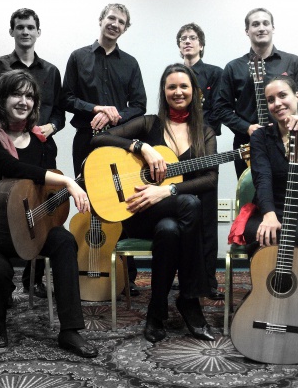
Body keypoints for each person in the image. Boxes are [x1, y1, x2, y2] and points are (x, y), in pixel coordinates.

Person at [0, 70, 97, 358]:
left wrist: (60, 195)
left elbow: (42, 188)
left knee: (64, 242)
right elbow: (12, 168)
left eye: (29, 95)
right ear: (1, 98)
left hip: (29, 221)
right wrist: (66, 181)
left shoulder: (41, 141)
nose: (24, 101)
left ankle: (70, 330)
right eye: (17, 94)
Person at [91, 64, 216, 343]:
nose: (178, 92)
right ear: (164, 92)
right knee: (191, 206)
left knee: (171, 229)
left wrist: (166, 190)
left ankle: (156, 310)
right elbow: (97, 139)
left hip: (171, 216)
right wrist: (140, 147)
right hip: (138, 212)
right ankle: (190, 301)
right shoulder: (149, 124)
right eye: (171, 87)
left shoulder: (204, 132)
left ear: (194, 92)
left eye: (184, 86)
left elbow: (210, 180)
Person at [0, 8, 65, 299]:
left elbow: (59, 116)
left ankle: (33, 279)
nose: (25, 31)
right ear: (12, 31)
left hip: (40, 148)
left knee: (41, 209)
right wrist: (13, 135)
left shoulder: (51, 71)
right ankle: (5, 282)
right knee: (12, 209)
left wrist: (46, 129)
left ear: (38, 32)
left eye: (30, 27)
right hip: (7, 146)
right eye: (20, 27)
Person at [62, 3, 147, 295]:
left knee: (124, 203)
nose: (115, 24)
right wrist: (96, 108)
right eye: (111, 18)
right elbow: (67, 99)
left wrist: (114, 115)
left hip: (120, 143)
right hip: (85, 139)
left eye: (121, 21)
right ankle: (86, 270)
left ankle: (128, 276)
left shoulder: (131, 63)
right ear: (101, 20)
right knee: (88, 202)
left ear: (125, 28)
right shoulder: (78, 57)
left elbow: (139, 105)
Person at [233, 75, 298, 268]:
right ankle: (262, 290)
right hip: (266, 210)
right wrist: (269, 215)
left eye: (282, 95)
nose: (277, 103)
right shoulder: (261, 136)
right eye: (270, 100)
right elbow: (262, 177)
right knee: (261, 233)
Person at [215, 7, 298, 179]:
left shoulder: (293, 62)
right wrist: (247, 128)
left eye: (265, 23)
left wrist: (295, 126)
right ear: (247, 31)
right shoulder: (233, 67)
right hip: (247, 146)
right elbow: (220, 108)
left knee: (291, 197)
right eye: (255, 24)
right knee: (250, 199)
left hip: (289, 142)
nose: (261, 28)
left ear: (273, 28)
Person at [176, 23, 224, 301]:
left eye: (192, 38)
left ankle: (208, 279)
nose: (187, 42)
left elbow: (216, 111)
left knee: (206, 217)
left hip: (204, 145)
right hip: (177, 149)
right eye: (183, 39)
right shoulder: (175, 73)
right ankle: (182, 277)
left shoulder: (214, 74)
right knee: (181, 216)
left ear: (201, 44)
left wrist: (199, 135)